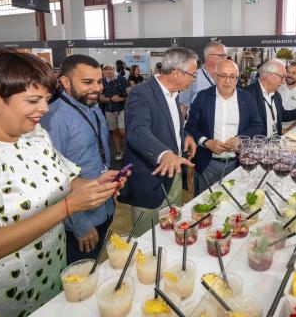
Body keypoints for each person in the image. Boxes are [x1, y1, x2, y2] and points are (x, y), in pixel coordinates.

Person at [0, 48, 125, 316]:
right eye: (33, 101)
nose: (44, 109)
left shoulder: (35, 135)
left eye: (46, 99)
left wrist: (95, 186)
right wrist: (67, 208)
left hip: (50, 281)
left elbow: (66, 180)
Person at [40, 55, 115, 265]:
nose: (97, 88)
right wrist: (79, 225)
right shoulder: (54, 119)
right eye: (88, 82)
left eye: (99, 81)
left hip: (103, 207)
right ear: (65, 82)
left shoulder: (94, 108)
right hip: (80, 222)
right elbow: (54, 179)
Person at [118, 47, 198, 236]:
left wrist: (185, 135)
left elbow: (168, 124)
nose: (193, 80)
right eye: (192, 75)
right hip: (150, 179)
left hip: (174, 176)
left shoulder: (174, 93)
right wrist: (165, 154)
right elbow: (138, 132)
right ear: (177, 73)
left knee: (171, 231)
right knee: (148, 239)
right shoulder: (141, 93)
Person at [185, 60, 264, 195]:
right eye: (223, 75)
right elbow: (191, 126)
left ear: (237, 78)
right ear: (215, 77)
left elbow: (258, 125)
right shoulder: (202, 97)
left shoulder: (247, 98)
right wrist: (205, 142)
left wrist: (240, 139)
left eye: (232, 76)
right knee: (205, 205)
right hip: (207, 164)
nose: (228, 81)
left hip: (237, 163)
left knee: (234, 204)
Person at [244, 59, 296, 137]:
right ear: (270, 75)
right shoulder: (247, 95)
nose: (284, 81)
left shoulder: (276, 95)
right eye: (282, 77)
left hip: (275, 143)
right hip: (257, 146)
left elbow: (282, 115)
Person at [178, 41, 226, 117]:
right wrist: (180, 128)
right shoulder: (192, 77)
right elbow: (182, 106)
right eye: (222, 55)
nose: (225, 59)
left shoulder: (229, 77)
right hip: (198, 126)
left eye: (225, 55)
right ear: (210, 57)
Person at [99, 65, 128, 161]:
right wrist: (111, 99)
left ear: (114, 70)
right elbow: (100, 98)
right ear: (103, 72)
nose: (109, 71)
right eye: (106, 70)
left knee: (123, 131)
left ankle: (128, 150)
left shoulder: (122, 79)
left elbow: (129, 93)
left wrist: (121, 98)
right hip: (109, 110)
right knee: (115, 131)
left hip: (122, 109)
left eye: (110, 69)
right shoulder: (102, 82)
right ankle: (119, 151)